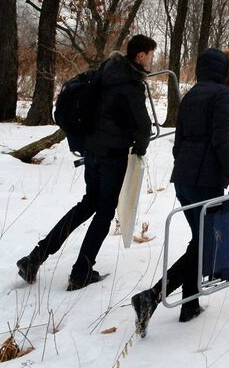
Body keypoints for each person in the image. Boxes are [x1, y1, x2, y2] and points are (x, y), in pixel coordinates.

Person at [17, 34, 156, 291]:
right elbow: (143, 126)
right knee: (103, 212)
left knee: (88, 204)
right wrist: (141, 147)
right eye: (150, 55)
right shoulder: (130, 83)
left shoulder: (107, 70)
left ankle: (35, 257)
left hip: (92, 151)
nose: (152, 60)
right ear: (141, 56)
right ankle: (81, 271)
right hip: (112, 155)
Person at [132, 46, 229, 336]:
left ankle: (190, 304)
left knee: (201, 240)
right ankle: (152, 296)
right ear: (224, 71)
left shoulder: (191, 95)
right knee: (206, 242)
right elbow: (221, 139)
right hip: (204, 180)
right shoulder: (222, 95)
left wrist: (186, 168)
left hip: (183, 179)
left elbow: (178, 142)